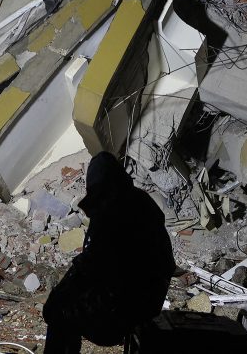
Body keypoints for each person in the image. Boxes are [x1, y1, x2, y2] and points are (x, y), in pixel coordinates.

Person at [43, 151, 174, 353]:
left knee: (60, 313)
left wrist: (61, 294)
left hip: (129, 304)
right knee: (64, 304)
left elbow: (98, 262)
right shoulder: (136, 201)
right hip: (144, 297)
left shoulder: (118, 212)